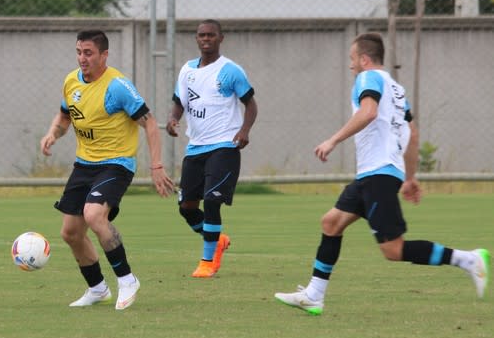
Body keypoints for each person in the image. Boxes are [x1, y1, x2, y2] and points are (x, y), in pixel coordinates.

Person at [274, 32, 490, 315]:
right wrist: (410, 177)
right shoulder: (397, 90)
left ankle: (468, 259)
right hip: (375, 174)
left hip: (377, 173)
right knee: (331, 223)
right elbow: (412, 133)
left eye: (352, 59)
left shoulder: (367, 78)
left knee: (393, 250)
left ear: (364, 60)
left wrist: (333, 140)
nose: (350, 65)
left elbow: (368, 112)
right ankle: (314, 295)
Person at [40, 29, 174, 310]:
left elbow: (149, 123)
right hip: (84, 165)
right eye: (79, 52)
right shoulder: (71, 81)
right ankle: (97, 289)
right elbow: (65, 115)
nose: (82, 58)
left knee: (93, 215)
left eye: (88, 53)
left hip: (117, 163)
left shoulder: (117, 87)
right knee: (70, 232)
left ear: (104, 55)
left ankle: (127, 279)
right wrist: (53, 133)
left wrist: (157, 165)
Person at [166, 19, 258, 278]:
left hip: (224, 146)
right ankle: (216, 239)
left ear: (221, 38)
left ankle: (208, 262)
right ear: (196, 39)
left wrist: (244, 131)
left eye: (211, 35)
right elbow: (179, 102)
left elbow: (251, 104)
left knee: (213, 201)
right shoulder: (187, 70)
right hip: (195, 148)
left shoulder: (230, 70)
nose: (206, 39)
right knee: (186, 207)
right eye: (201, 35)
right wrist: (173, 119)